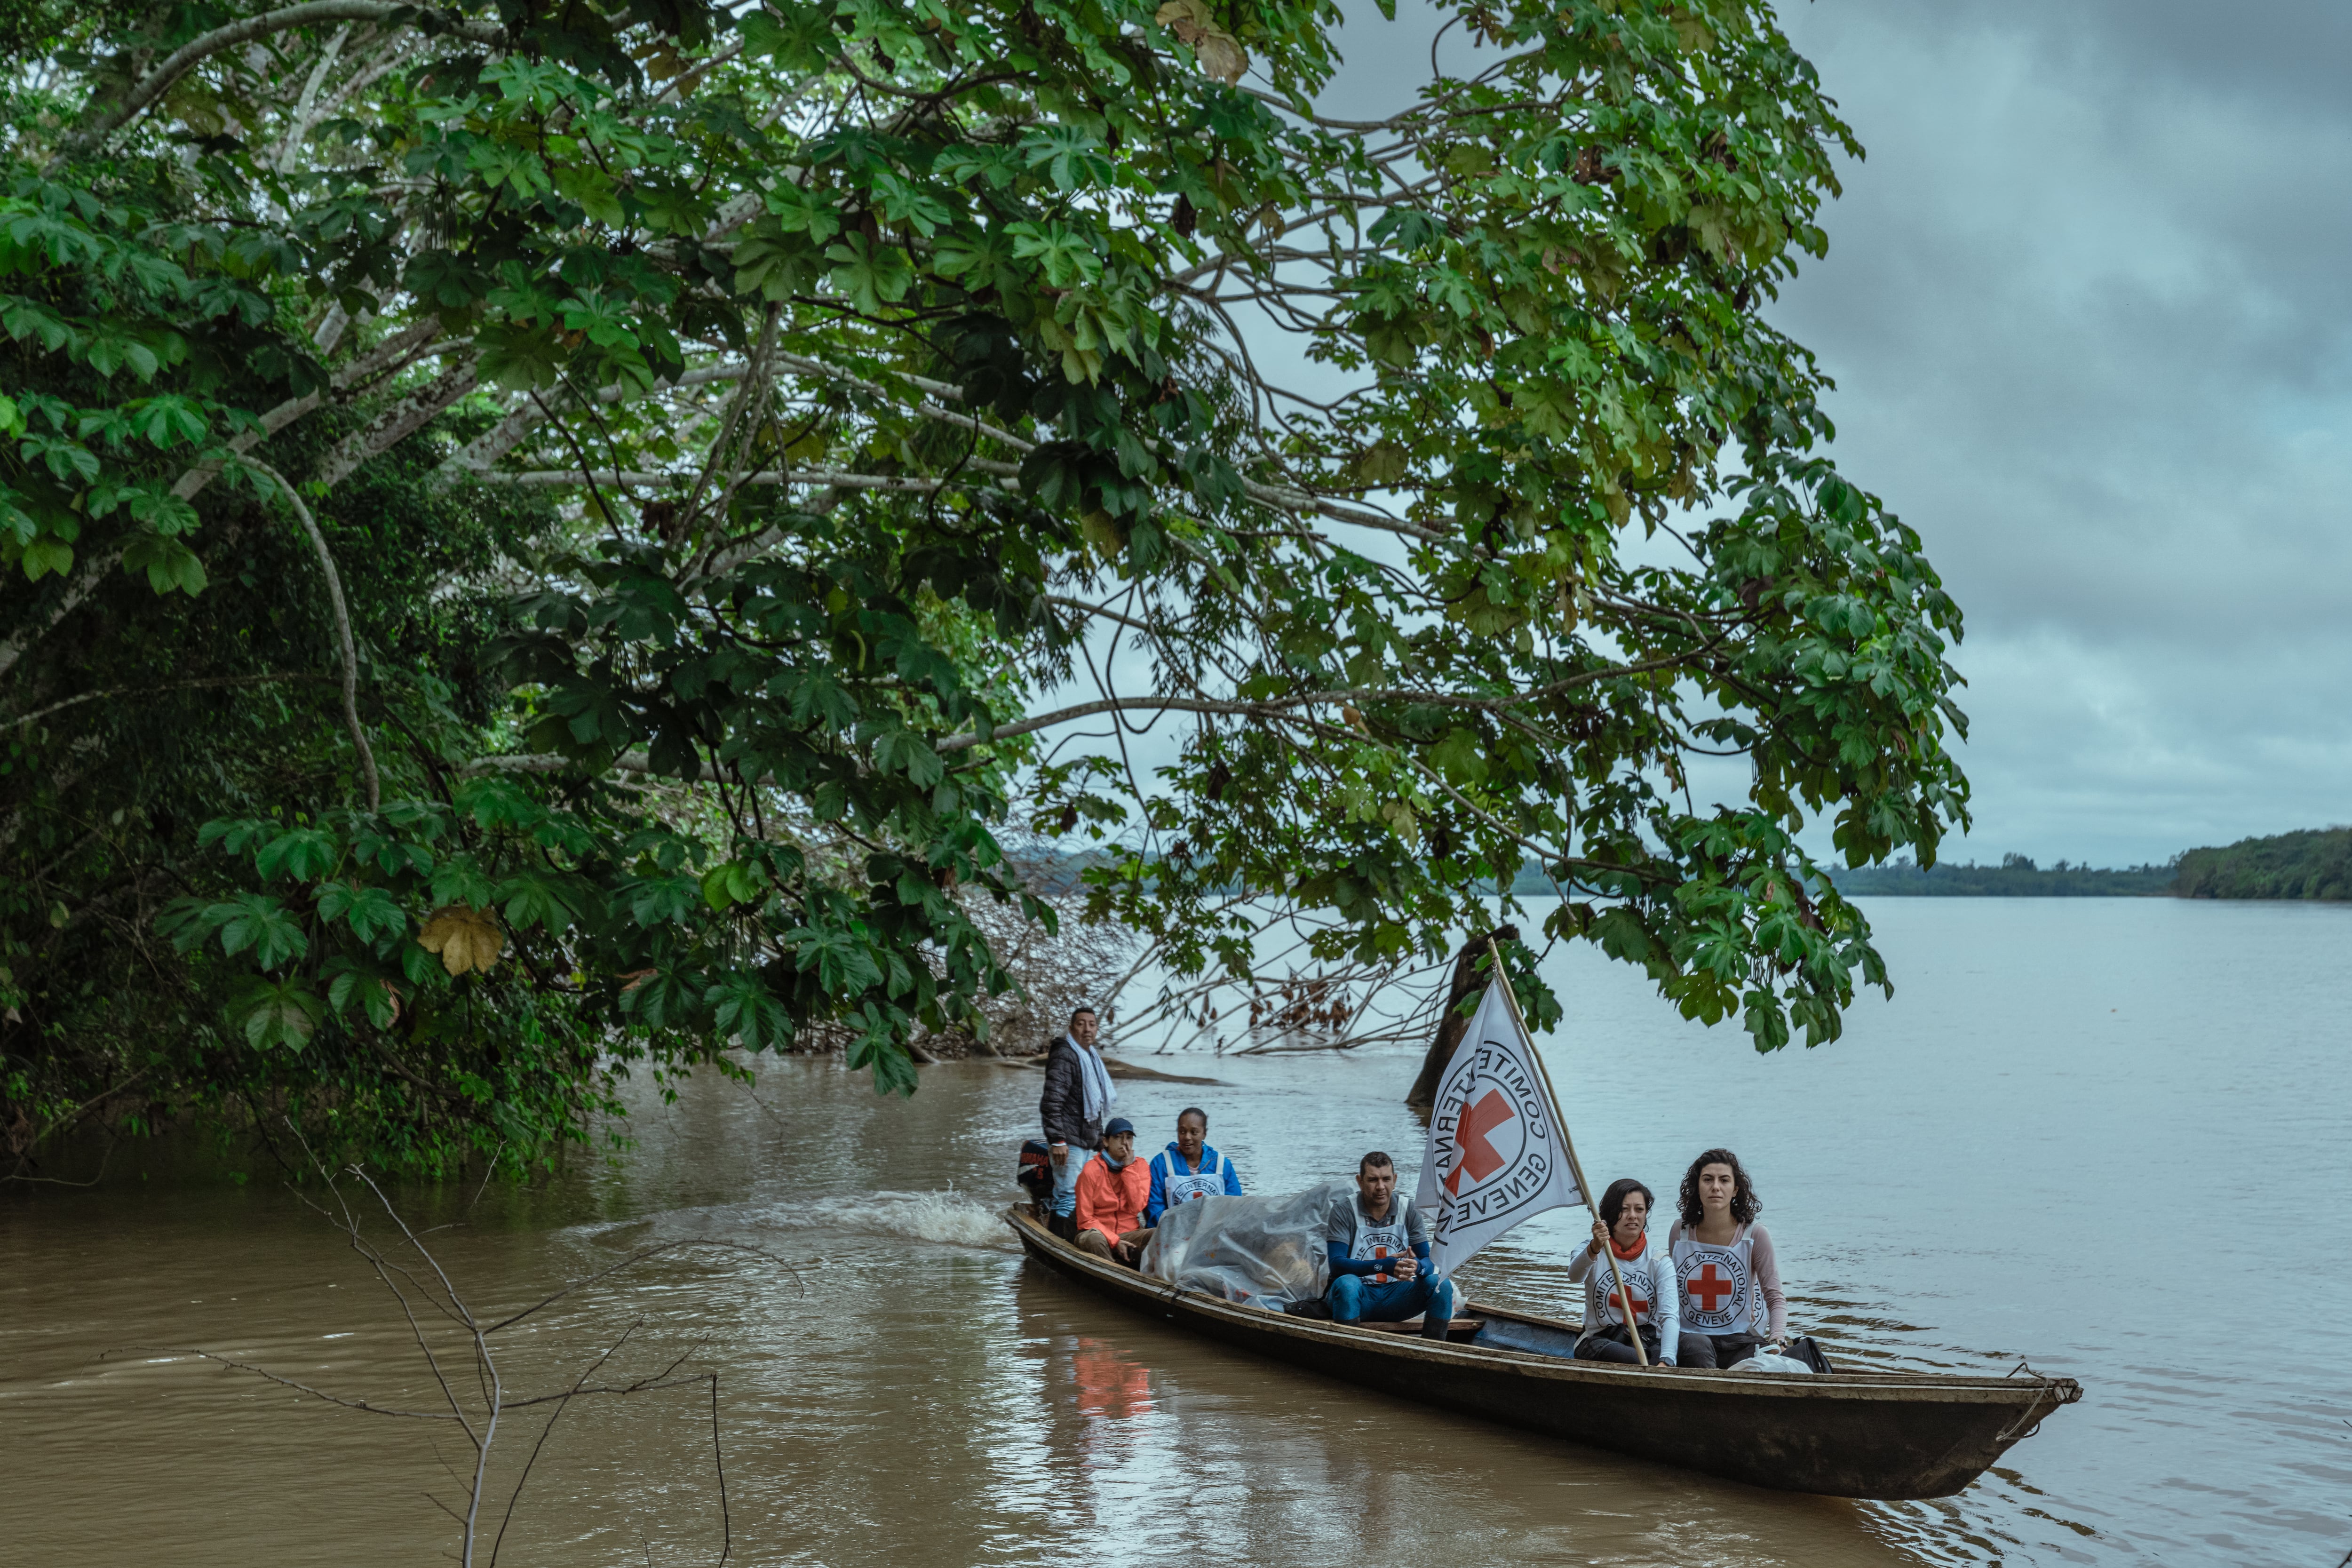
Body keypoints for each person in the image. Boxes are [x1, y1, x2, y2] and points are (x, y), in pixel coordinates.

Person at [1669, 1147, 1788, 1369]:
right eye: (1708, 1180)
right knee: (1698, 1346)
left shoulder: (1755, 1235)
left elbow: (1774, 1297)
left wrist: (1777, 1338)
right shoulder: (1680, 1231)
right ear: (1697, 1187)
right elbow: (1670, 1294)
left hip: (1740, 1339)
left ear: (1735, 1190)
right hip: (1692, 1338)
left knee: (1761, 1370)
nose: (1716, 1187)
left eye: (1724, 1180)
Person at [1322, 1151, 1455, 1339]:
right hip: (1358, 1298)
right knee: (1347, 1284)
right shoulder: (1344, 1211)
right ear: (1360, 1182)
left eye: (1386, 1179)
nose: (1380, 1187)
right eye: (1373, 1180)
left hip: (1397, 1298)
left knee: (1441, 1285)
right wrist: (1384, 1266)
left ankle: (1435, 1353)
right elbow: (1337, 1266)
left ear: (1395, 1180)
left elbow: (1429, 1262)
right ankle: (1348, 1354)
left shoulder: (1408, 1210)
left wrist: (1418, 1267)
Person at [1567, 1178, 1680, 1366]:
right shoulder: (1590, 1251)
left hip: (1646, 1339)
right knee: (1638, 1361)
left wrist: (1666, 1363)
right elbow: (1575, 1276)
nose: (1632, 1216)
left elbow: (1669, 1316)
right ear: (1611, 1214)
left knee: (1680, 1352)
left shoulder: (1659, 1262)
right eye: (1624, 1209)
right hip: (1598, 1340)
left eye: (1639, 1209)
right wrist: (1595, 1247)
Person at [1039, 1006, 1113, 1237]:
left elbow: (1093, 1106)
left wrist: (1100, 1140)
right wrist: (1057, 1140)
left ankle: (1062, 1242)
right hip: (1068, 1141)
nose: (1087, 1029)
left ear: (1097, 1030)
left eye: (1091, 1024)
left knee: (1075, 1196)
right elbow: (1052, 1100)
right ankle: (1060, 1247)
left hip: (1083, 1140)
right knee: (1069, 1197)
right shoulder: (1066, 1055)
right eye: (1081, 1024)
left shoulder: (1090, 1057)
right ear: (1071, 1029)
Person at [1073, 1117, 1154, 1264]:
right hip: (1098, 1234)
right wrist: (1115, 1241)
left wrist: (1129, 1169)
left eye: (1129, 1138)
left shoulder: (1140, 1166)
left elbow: (1138, 1206)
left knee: (1157, 1234)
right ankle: (1114, 1275)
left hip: (1129, 1234)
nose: (1125, 1143)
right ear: (1106, 1142)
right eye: (1119, 1137)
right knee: (1094, 1239)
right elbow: (1085, 1219)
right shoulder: (1090, 1170)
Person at [1144, 1106, 1244, 1224]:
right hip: (1172, 1235)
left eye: (1194, 1132)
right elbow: (1154, 1209)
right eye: (1182, 1132)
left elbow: (1235, 1207)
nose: (1187, 1137)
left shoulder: (1222, 1165)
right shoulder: (1161, 1164)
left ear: (1204, 1134)